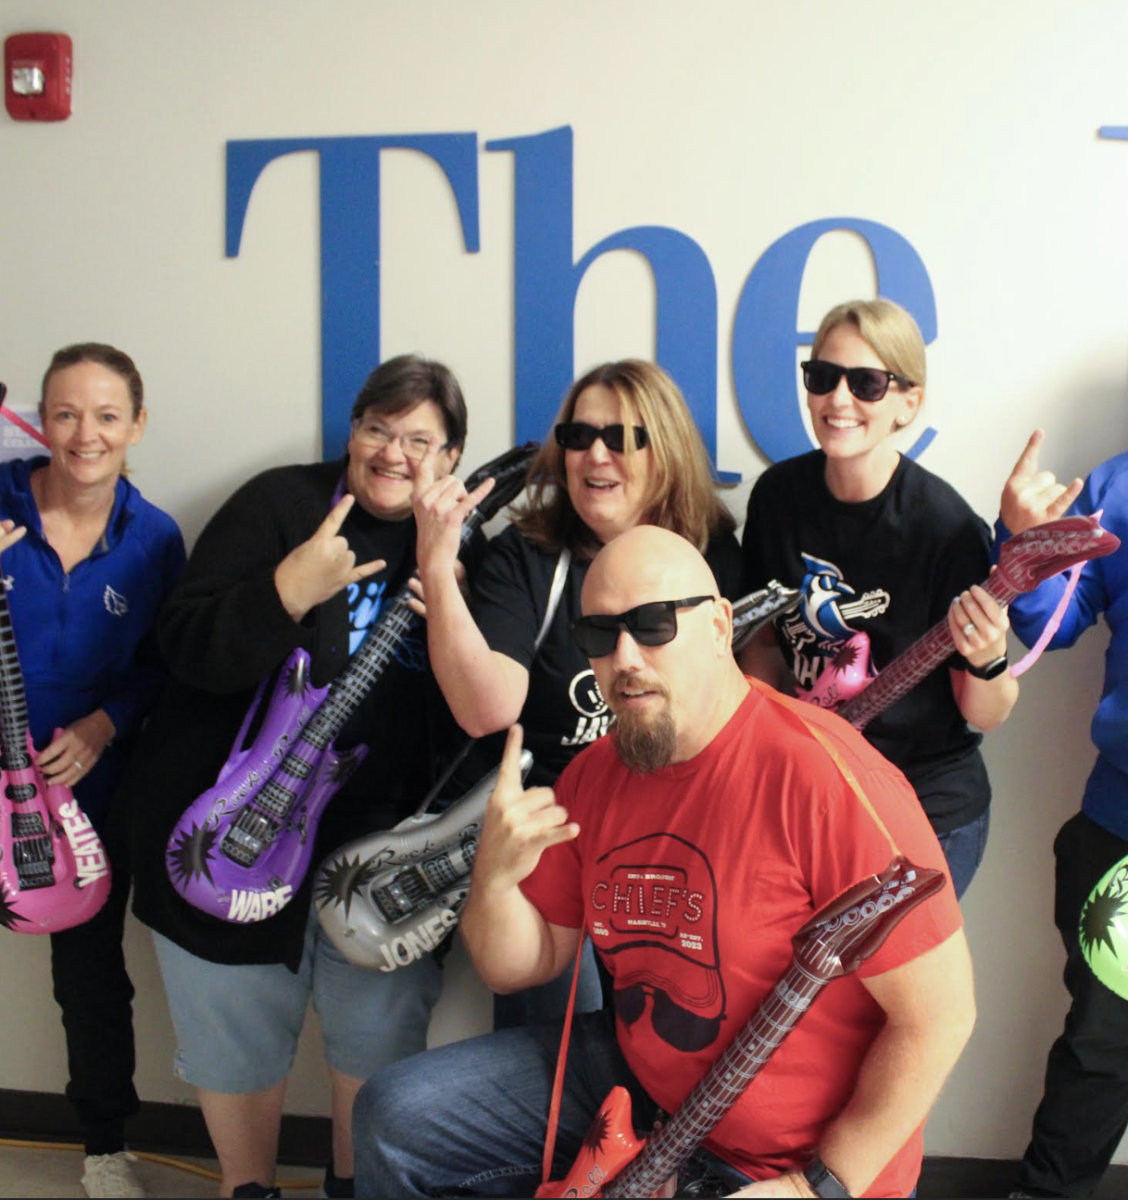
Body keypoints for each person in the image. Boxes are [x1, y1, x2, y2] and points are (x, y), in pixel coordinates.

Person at [353, 525, 976, 1199]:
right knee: (394, 1118)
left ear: (719, 625)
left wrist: (817, 1187)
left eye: (653, 625)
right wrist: (495, 879)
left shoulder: (828, 781)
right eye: (599, 634)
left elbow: (939, 1017)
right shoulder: (595, 775)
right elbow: (523, 965)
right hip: (643, 1090)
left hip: (793, 1164)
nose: (624, 657)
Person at [124, 355, 477, 1200]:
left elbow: (476, 716)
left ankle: (351, 1188)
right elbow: (184, 646)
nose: (392, 453)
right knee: (235, 1039)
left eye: (418, 440)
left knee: (377, 1041)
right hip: (229, 837)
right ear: (352, 431)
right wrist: (288, 588)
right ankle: (246, 1188)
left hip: (377, 855)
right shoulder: (279, 505)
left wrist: (452, 596)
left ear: (452, 458)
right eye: (377, 429)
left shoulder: (465, 551)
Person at [412, 359, 743, 1026]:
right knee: (559, 1053)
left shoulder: (712, 557)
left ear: (664, 450)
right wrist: (438, 568)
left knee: (676, 1028)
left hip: (674, 846)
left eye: (620, 437)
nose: (595, 454)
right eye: (578, 435)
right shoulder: (527, 556)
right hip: (554, 843)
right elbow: (486, 709)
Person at [740, 298, 1018, 899]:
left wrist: (989, 658)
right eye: (822, 377)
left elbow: (985, 712)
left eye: (865, 383)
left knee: (889, 967)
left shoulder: (945, 527)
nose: (838, 399)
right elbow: (763, 645)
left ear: (907, 403)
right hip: (814, 796)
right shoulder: (776, 498)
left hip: (924, 809)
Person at [0, 344, 185, 1198]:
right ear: (40, 420)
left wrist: (105, 725)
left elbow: (164, 666)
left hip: (88, 790)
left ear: (137, 425)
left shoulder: (154, 539)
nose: (85, 434)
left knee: (90, 975)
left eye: (107, 416)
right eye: (66, 414)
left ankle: (105, 1147)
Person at [995, 430, 1128, 1199]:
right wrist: (1025, 542)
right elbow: (1058, 618)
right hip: (1121, 832)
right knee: (1104, 1047)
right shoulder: (1118, 487)